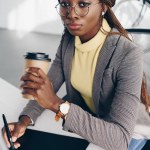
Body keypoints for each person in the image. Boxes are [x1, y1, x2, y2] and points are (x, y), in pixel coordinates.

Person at [2, 0, 150, 149]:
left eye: (83, 4)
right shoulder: (69, 37)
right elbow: (49, 85)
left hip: (128, 134)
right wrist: (25, 120)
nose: (71, 14)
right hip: (89, 122)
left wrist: (56, 104)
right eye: (65, 4)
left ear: (103, 6)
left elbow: (119, 139)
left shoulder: (128, 53)